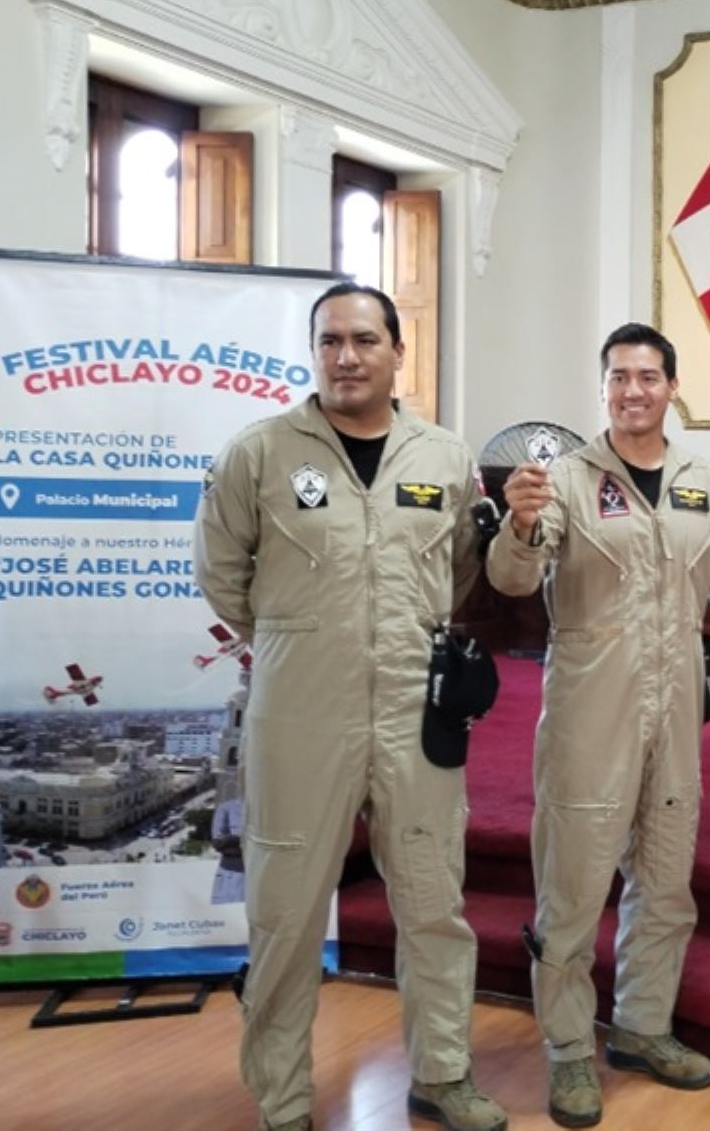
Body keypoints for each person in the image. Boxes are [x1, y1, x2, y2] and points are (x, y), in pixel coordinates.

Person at [193, 283, 505, 1131]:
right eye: (330, 341)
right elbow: (222, 574)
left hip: (417, 709)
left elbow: (463, 571)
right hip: (300, 712)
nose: (346, 357)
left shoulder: (443, 456)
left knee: (435, 906)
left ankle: (442, 1075)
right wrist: (306, 637)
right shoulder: (259, 452)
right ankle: (284, 1099)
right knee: (287, 914)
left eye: (365, 340)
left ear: (399, 352)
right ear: (314, 351)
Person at [488, 323, 710, 1128]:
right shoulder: (565, 480)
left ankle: (643, 1028)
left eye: (649, 376)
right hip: (589, 703)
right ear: (602, 387)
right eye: (619, 377)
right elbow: (512, 581)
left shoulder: (704, 483)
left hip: (676, 701)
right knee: (572, 887)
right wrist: (519, 523)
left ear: (673, 387)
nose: (633, 389)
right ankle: (570, 1049)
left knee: (667, 880)